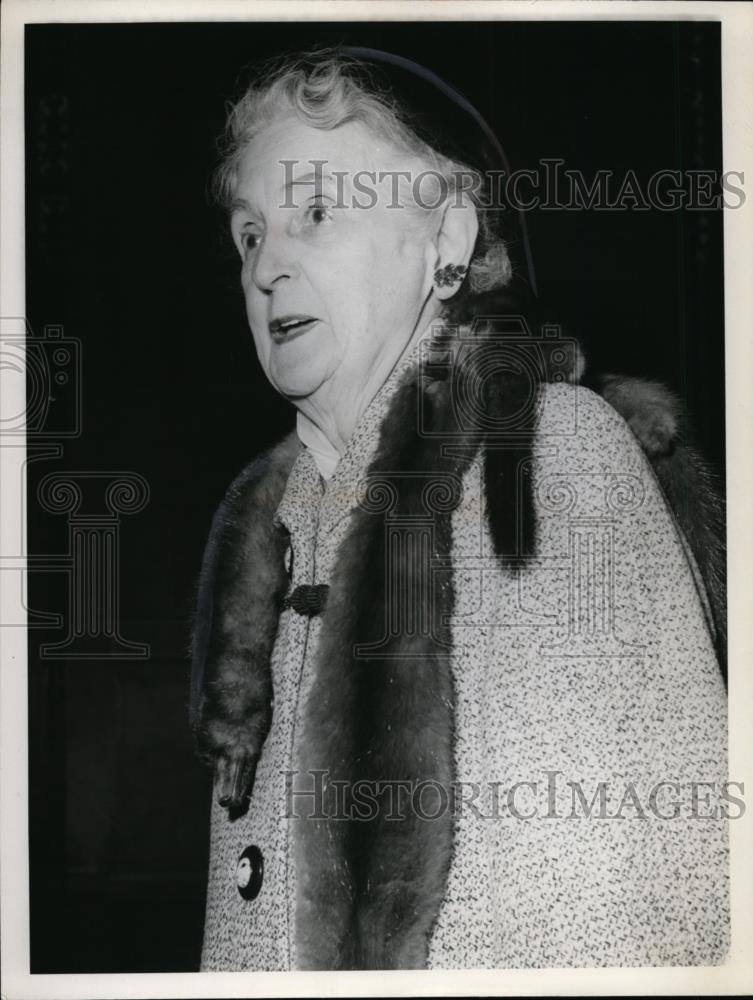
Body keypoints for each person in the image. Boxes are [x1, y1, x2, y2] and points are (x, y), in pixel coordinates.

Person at [189, 49, 728, 971]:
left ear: (444, 242)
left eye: (316, 212)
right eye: (249, 235)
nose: (268, 264)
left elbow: (649, 919)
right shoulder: (265, 529)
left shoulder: (549, 454)